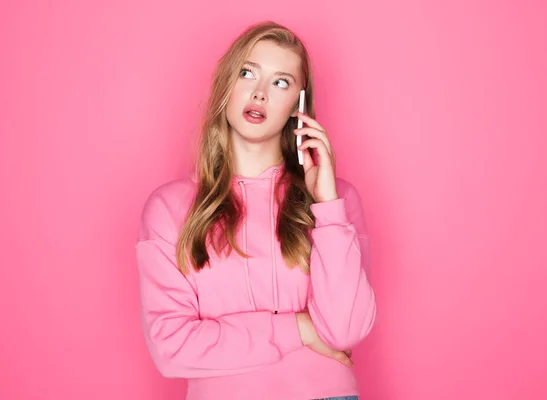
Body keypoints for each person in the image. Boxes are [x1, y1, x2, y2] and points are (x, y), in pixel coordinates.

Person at [135, 20, 376, 400]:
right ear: (227, 85)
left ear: (298, 104)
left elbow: (345, 330)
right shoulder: (169, 209)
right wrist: (301, 329)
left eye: (280, 82)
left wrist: (327, 206)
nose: (260, 93)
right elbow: (172, 347)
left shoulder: (336, 201)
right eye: (248, 73)